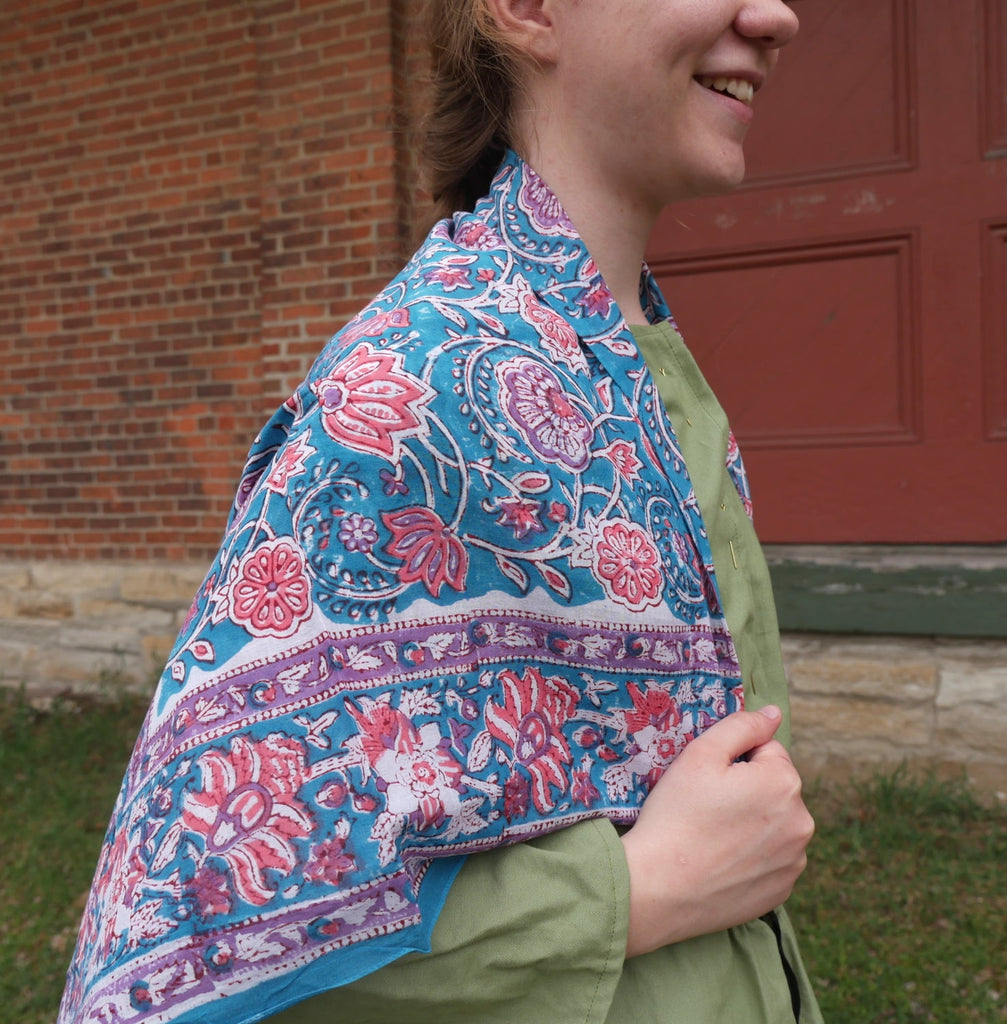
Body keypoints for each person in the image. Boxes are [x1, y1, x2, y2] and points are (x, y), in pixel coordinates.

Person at [59, 0, 822, 1021]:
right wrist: (637, 893)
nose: (777, 15)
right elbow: (185, 944)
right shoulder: (414, 392)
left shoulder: (627, 350)